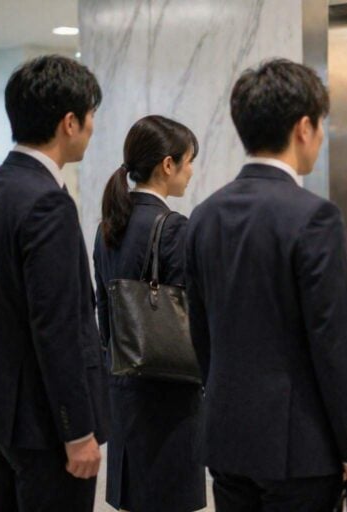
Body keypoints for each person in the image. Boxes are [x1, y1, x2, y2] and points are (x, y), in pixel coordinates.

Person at [185, 58, 347, 511]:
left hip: (227, 438)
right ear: (304, 127)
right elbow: (334, 347)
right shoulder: (313, 216)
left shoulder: (204, 215)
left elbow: (200, 333)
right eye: (322, 125)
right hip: (300, 448)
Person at [0, 55, 108, 511]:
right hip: (44, 424)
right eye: (90, 117)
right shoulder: (47, 203)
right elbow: (57, 326)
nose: (91, 128)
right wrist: (77, 430)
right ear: (69, 122)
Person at [93, 115, 206, 512]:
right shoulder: (175, 228)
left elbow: (103, 313)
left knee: (134, 497)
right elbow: (198, 317)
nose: (192, 171)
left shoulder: (108, 226)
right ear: (168, 165)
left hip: (123, 391)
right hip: (170, 397)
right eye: (189, 160)